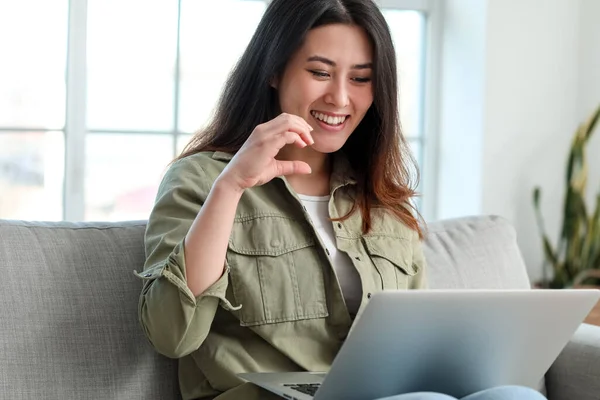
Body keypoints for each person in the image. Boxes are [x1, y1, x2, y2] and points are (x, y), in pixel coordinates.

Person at [136, 1, 548, 399]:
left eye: (361, 78)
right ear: (274, 70)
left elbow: (419, 341)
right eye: (320, 72)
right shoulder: (204, 180)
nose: (340, 97)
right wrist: (231, 187)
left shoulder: (383, 200)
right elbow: (174, 334)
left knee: (516, 395)